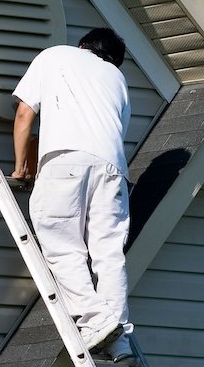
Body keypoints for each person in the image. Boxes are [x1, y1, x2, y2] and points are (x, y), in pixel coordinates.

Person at [11, 28, 138, 365]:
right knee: (109, 254)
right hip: (112, 168)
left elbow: (25, 114)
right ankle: (120, 345)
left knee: (62, 244)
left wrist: (22, 167)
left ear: (84, 45)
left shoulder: (55, 54)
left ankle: (98, 323)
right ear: (112, 58)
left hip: (65, 159)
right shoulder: (117, 79)